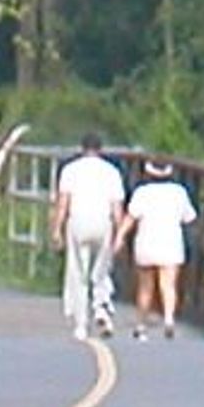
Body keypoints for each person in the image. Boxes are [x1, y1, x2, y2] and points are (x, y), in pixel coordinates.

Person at [48, 134, 128, 341]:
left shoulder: (70, 170)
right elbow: (117, 208)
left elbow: (63, 203)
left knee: (78, 274)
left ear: (82, 148)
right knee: (101, 271)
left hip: (78, 222)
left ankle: (81, 325)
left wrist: (56, 230)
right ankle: (101, 309)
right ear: (100, 149)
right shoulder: (111, 172)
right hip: (103, 222)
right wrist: (120, 234)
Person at [121, 158, 198, 341]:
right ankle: (169, 320)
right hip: (171, 243)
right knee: (169, 285)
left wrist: (119, 237)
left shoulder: (142, 192)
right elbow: (189, 218)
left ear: (149, 173)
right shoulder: (179, 192)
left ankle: (141, 325)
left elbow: (130, 218)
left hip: (146, 242)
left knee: (145, 286)